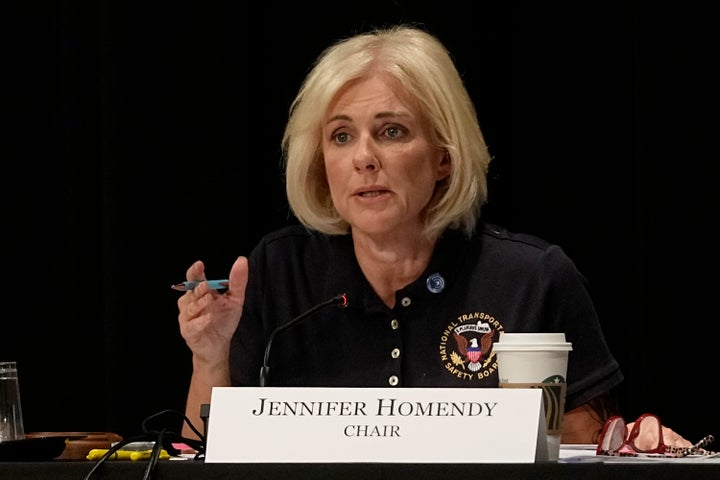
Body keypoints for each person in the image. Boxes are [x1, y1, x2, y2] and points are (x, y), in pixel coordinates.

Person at [176, 24, 691, 448]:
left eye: (392, 131)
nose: (363, 158)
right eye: (341, 136)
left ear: (444, 156)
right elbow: (205, 457)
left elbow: (584, 452)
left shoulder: (531, 279)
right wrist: (210, 355)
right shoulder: (279, 270)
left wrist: (639, 446)